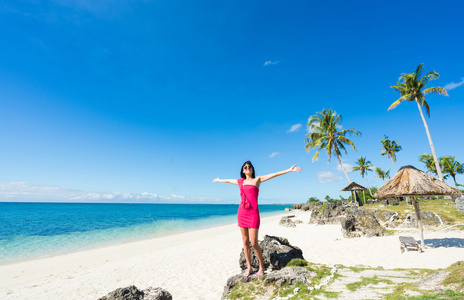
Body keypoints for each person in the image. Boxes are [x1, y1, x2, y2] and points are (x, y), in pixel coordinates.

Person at [213, 161, 302, 277]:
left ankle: (261, 267)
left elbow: (274, 174)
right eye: (245, 167)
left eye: (249, 167)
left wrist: (289, 170)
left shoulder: (258, 179)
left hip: (253, 213)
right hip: (242, 213)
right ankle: (249, 268)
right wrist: (219, 180)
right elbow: (228, 180)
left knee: (254, 242)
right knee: (245, 241)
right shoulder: (241, 181)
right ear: (243, 171)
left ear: (252, 169)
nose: (247, 168)